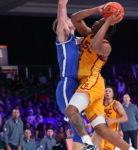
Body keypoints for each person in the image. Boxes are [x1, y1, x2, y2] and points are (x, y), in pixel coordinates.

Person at [65, 4, 136, 150]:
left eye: (100, 21)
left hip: (92, 81)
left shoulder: (105, 46)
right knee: (101, 129)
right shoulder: (88, 34)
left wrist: (108, 22)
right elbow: (75, 18)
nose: (97, 21)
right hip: (92, 85)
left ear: (106, 29)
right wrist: (96, 10)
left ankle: (88, 144)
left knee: (71, 110)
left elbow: (94, 47)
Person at [54, 0, 84, 149]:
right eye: (66, 20)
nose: (68, 20)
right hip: (67, 83)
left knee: (82, 127)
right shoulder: (63, 38)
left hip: (78, 84)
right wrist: (62, 4)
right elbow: (61, 7)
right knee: (77, 126)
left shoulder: (75, 41)